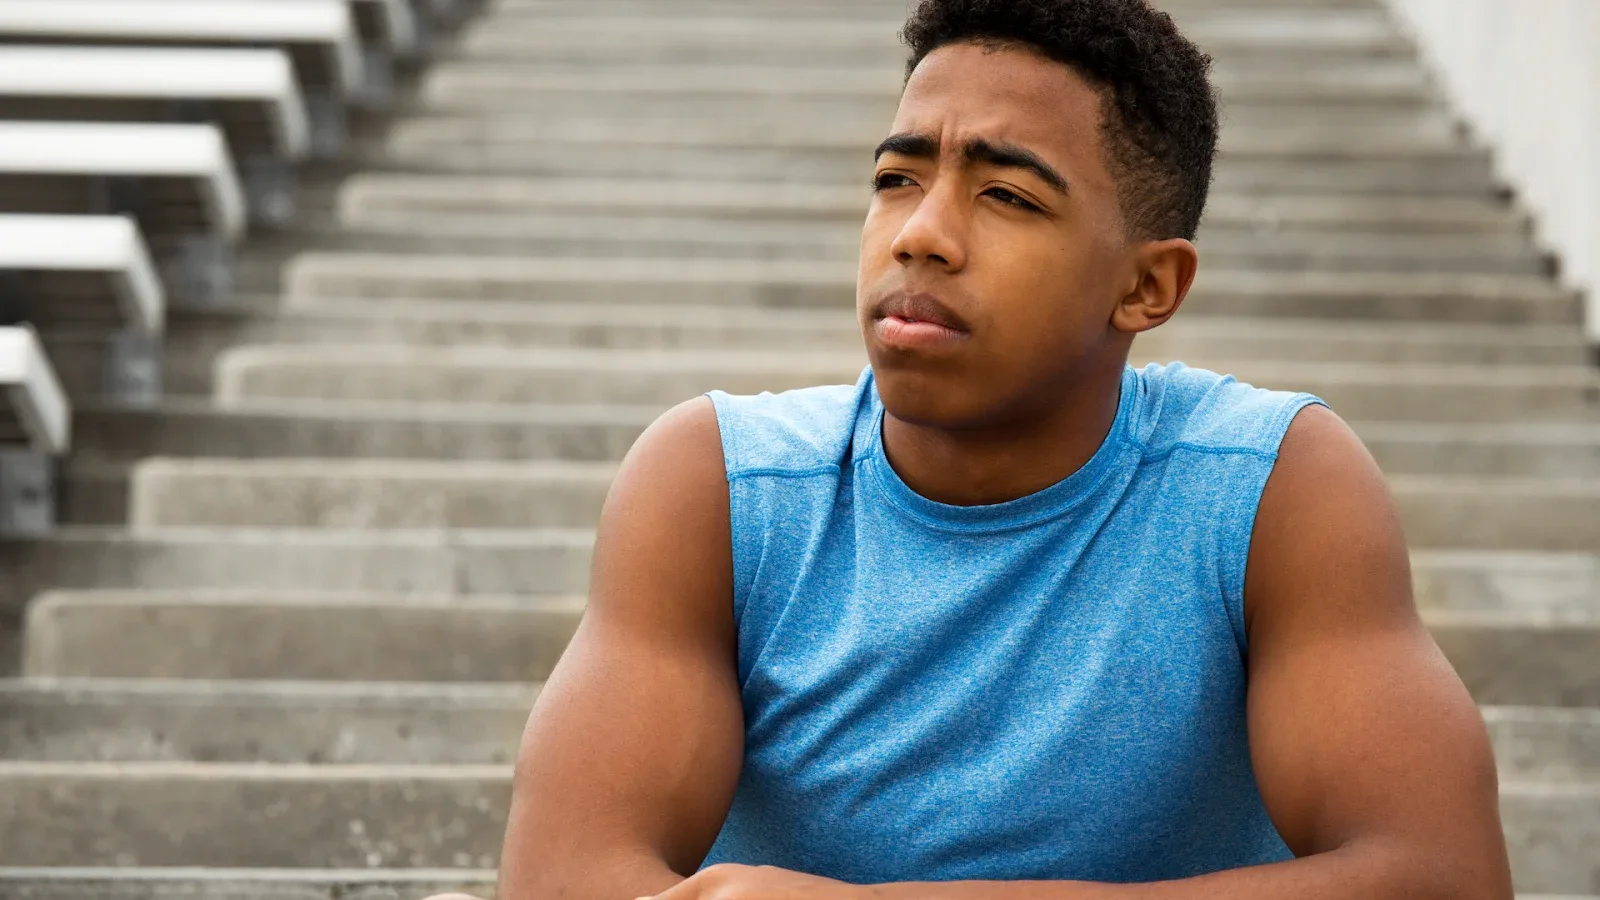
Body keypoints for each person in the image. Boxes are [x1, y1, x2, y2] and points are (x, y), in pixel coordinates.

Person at [447, 0, 1514, 897]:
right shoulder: (719, 485)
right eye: (897, 179)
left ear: (1147, 286)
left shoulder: (1269, 485)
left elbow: (1437, 875)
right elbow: (566, 877)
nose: (921, 232)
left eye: (1005, 195)